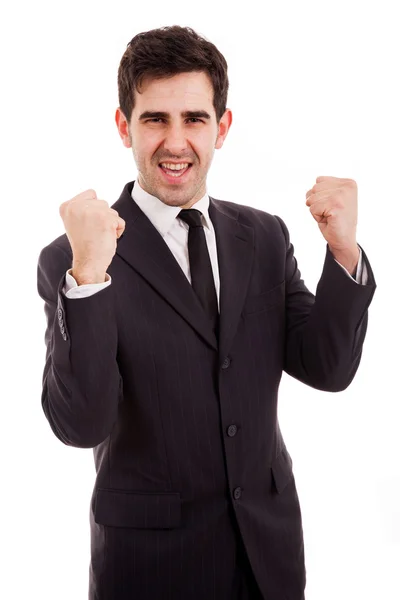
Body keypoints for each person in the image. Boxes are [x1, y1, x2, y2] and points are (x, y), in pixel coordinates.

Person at [36, 25, 376, 600]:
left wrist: (343, 251)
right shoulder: (74, 258)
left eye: (194, 118)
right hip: (149, 568)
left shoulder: (264, 236)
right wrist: (90, 275)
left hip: (268, 558)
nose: (176, 142)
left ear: (222, 126)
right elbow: (82, 425)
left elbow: (328, 366)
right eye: (154, 119)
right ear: (124, 127)